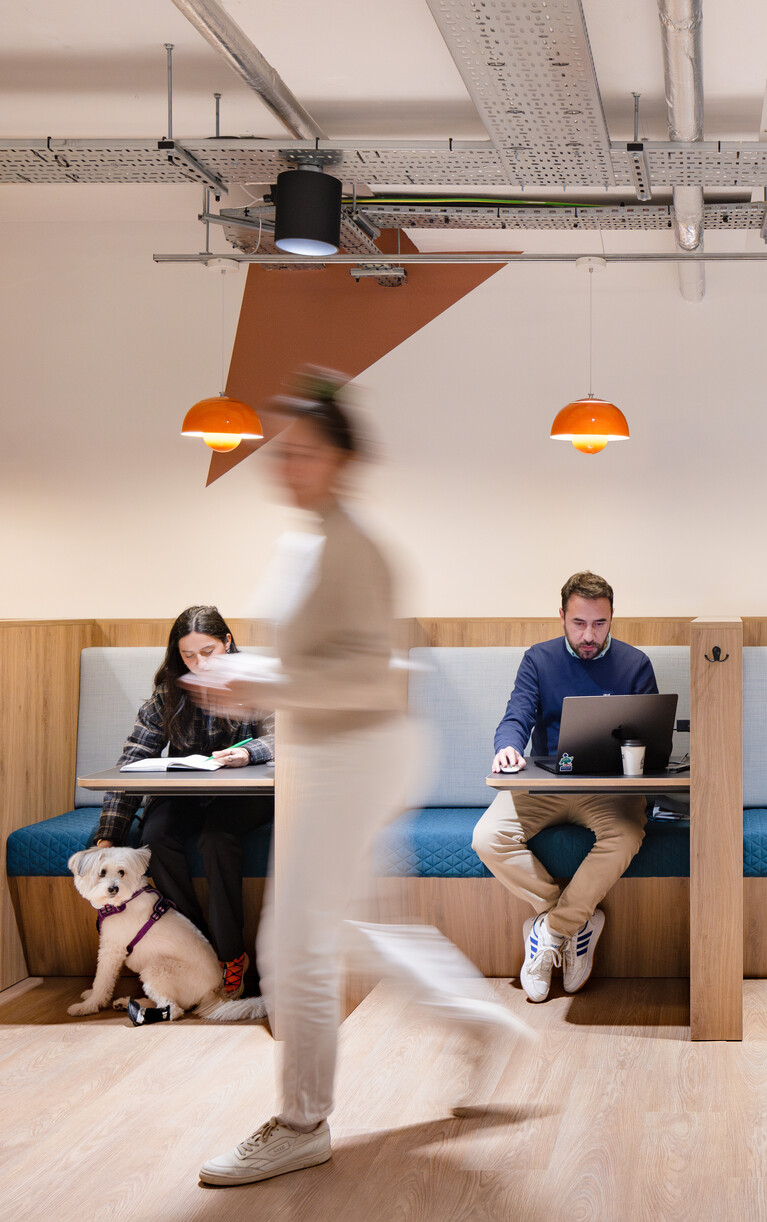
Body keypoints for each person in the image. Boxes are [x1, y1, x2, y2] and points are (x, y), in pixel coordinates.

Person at [195, 371, 528, 1189]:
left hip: (357, 756)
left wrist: (260, 682)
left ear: (342, 460)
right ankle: (475, 1017)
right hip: (319, 756)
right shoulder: (303, 542)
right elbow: (315, 656)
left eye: (304, 452)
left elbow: (373, 675)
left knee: (293, 944)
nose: (287, 466)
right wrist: (257, 673)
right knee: (337, 928)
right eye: (283, 452)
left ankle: (301, 1122)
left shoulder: (359, 549)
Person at [475, 571, 657, 1003]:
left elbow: (650, 735)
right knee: (487, 837)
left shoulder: (635, 664)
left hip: (609, 792)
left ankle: (551, 931)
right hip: (546, 786)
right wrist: (507, 747)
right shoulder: (538, 660)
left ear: (612, 617)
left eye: (599, 623)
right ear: (561, 616)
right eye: (579, 623)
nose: (589, 635)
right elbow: (517, 715)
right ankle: (577, 922)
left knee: (627, 834)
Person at [88, 605, 274, 1001]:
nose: (199, 664)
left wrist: (249, 752)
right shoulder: (168, 693)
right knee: (155, 836)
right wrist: (109, 836)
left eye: (208, 652)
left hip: (245, 797)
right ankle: (198, 947)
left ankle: (231, 956)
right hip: (188, 792)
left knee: (216, 838)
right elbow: (133, 759)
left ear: (227, 642)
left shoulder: (255, 683)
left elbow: (285, 737)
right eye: (188, 656)